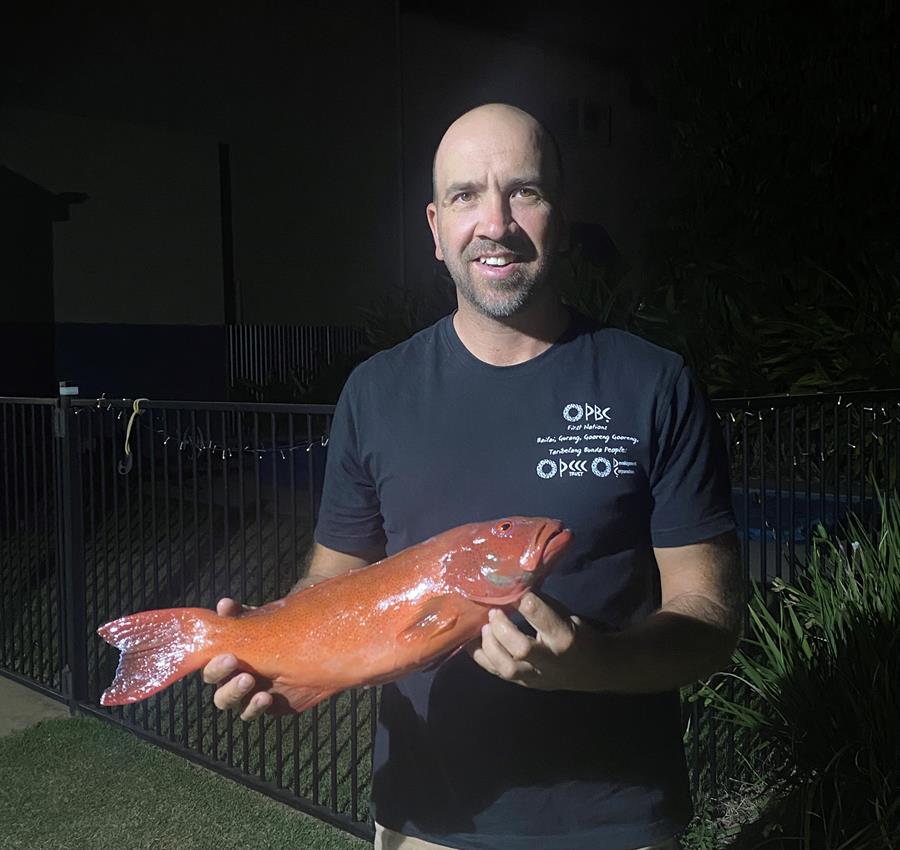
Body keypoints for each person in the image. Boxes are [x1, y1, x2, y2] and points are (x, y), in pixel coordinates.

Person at [203, 103, 743, 850]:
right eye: (465, 196)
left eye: (524, 190)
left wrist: (596, 662)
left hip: (615, 823)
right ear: (434, 228)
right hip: (427, 823)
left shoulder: (653, 383)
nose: (496, 221)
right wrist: (279, 652)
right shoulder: (376, 391)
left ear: (560, 212)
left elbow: (712, 619)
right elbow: (334, 578)